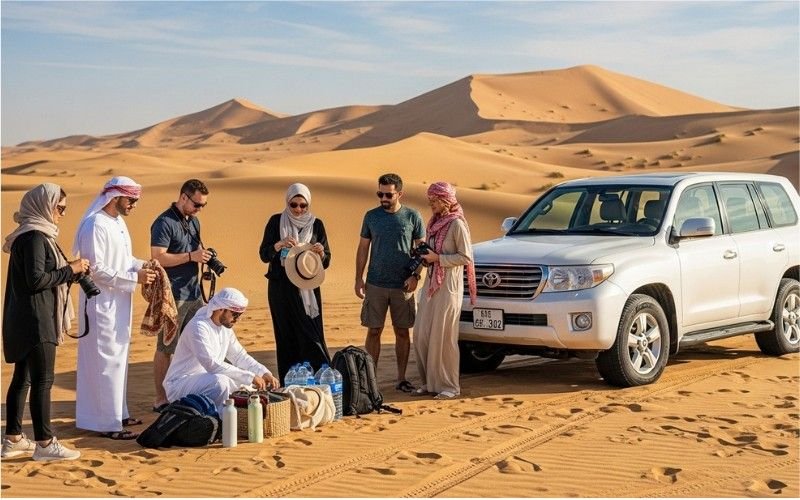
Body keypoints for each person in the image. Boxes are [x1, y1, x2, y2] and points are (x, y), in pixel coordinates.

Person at [2, 184, 88, 461]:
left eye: (64, 208)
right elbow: (36, 280)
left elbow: (38, 277)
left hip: (26, 318)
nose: (62, 213)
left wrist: (68, 272)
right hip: (38, 320)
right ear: (43, 205)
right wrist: (70, 270)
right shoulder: (36, 237)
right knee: (43, 381)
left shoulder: (30, 236)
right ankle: (45, 444)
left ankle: (13, 439)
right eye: (59, 207)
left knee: (23, 379)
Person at [72, 176, 157, 440]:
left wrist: (143, 265)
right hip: (100, 304)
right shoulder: (94, 224)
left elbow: (124, 260)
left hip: (119, 303)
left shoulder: (118, 223)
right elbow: (96, 270)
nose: (133, 205)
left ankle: (118, 413)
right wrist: (136, 278)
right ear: (115, 197)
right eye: (131, 200)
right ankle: (107, 424)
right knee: (105, 362)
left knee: (119, 359)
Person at [355, 173, 425, 393]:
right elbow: (363, 248)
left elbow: (422, 250)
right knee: (373, 331)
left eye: (388, 194)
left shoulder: (413, 216)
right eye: (380, 193)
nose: (383, 198)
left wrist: (416, 276)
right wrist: (359, 277)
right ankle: (370, 380)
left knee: (402, 332)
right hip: (375, 284)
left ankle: (402, 378)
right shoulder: (371, 216)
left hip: (403, 285)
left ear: (399, 194)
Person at [163, 287, 280, 412]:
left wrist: (263, 372)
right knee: (221, 383)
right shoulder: (198, 327)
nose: (237, 319)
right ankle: (219, 420)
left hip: (205, 379)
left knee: (246, 386)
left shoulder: (225, 328)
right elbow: (212, 365)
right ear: (220, 308)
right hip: (180, 384)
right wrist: (250, 376)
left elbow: (239, 356)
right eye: (235, 314)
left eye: (240, 315)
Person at [259, 183, 332, 382]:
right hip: (281, 288)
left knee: (311, 333)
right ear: (287, 203)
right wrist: (278, 245)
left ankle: (319, 379)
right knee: (285, 334)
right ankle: (290, 381)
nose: (298, 210)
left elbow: (326, 261)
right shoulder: (276, 222)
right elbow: (264, 255)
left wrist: (321, 252)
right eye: (294, 205)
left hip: (308, 286)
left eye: (303, 205)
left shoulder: (317, 224)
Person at [150, 179, 211, 412]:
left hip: (194, 292)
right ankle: (161, 398)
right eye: (197, 204)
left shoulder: (194, 222)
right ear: (184, 197)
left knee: (196, 342)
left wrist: (204, 258)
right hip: (172, 295)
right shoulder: (164, 222)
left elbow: (194, 253)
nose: (199, 209)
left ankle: (186, 391)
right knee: (167, 346)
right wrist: (190, 257)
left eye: (203, 205)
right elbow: (158, 257)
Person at [412, 182, 477, 400]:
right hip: (430, 284)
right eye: (429, 200)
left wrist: (438, 258)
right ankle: (429, 383)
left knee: (444, 337)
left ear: (445, 200)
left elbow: (466, 257)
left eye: (434, 200)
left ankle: (449, 386)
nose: (430, 204)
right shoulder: (433, 223)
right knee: (422, 334)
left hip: (448, 286)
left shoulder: (457, 224)